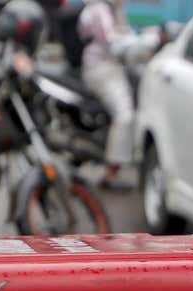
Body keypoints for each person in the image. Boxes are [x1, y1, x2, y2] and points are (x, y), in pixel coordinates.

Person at [77, 0, 137, 188]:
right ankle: (111, 174)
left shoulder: (107, 10)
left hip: (104, 67)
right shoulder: (100, 10)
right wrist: (148, 42)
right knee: (125, 116)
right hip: (103, 69)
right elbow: (113, 44)